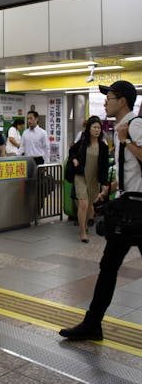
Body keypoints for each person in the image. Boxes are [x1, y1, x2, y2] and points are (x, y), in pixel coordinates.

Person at [59, 80, 142, 341]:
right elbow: (133, 168)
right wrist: (112, 188)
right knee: (108, 266)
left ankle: (92, 323)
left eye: (110, 96)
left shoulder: (134, 125)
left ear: (124, 101)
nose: (106, 101)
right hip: (130, 205)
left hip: (137, 211)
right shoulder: (124, 127)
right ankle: (92, 322)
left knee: (108, 267)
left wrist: (126, 139)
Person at [69, 115, 110, 243]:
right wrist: (74, 159)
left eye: (99, 128)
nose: (97, 130)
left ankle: (85, 224)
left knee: (90, 204)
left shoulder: (103, 147)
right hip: (80, 176)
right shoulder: (82, 142)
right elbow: (72, 151)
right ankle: (82, 232)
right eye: (94, 127)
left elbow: (104, 166)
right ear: (89, 128)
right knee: (83, 203)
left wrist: (104, 184)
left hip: (94, 178)